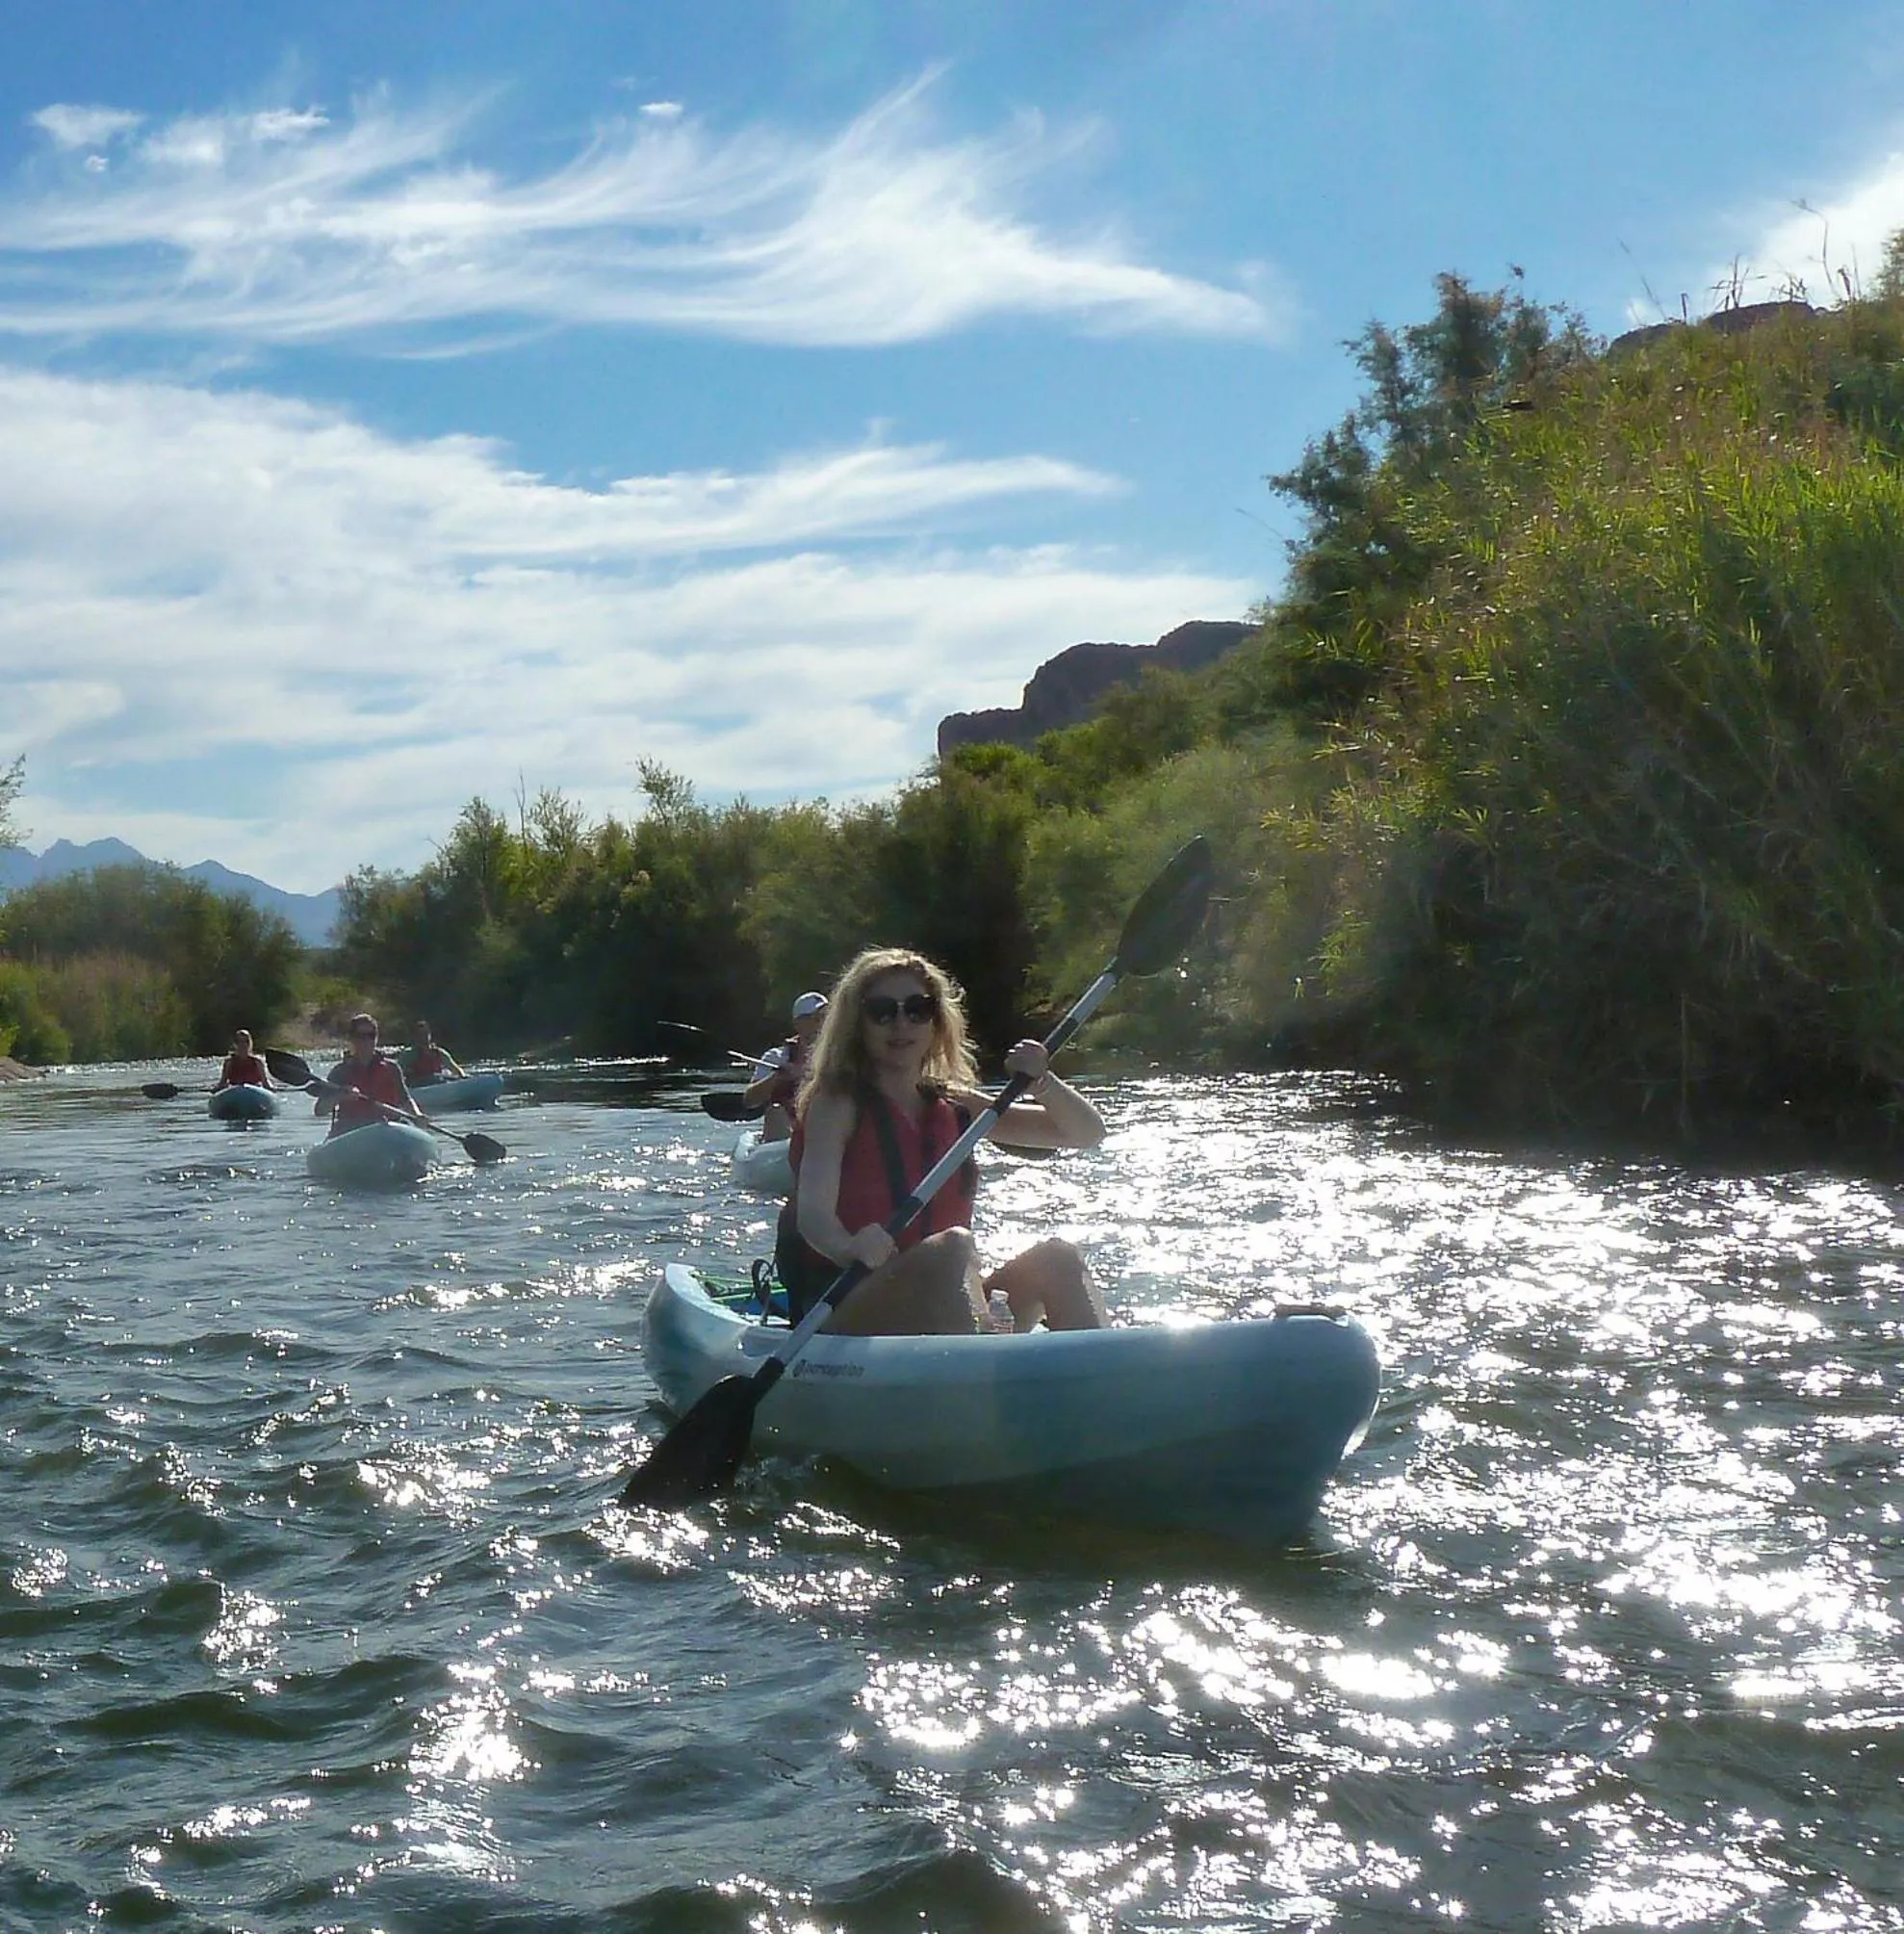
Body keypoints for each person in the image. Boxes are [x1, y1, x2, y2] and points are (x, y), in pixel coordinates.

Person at [775, 947, 1108, 1337]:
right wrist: (847, 1248)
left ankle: (1106, 1386)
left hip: (943, 1309)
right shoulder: (836, 1103)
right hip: (847, 1303)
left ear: (936, 1023)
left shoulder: (956, 1103)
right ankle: (978, 1367)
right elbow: (814, 1215)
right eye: (882, 1011)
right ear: (857, 1024)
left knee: (1059, 1259)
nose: (901, 1024)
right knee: (953, 1248)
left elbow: (1086, 1134)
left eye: (918, 1008)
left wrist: (1043, 1083)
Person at [320, 1013, 425, 1137]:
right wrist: (341, 1096)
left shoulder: (392, 1068)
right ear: (352, 1038)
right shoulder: (340, 1072)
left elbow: (406, 1100)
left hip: (389, 1127)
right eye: (361, 1036)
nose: (367, 1041)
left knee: (409, 1127)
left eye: (371, 1036)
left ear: (377, 1038)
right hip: (352, 1131)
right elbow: (319, 1110)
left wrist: (417, 1115)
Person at [743, 991, 828, 1144]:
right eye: (816, 1019)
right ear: (798, 1024)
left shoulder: (840, 1056)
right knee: (775, 1112)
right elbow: (750, 1101)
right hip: (786, 1133)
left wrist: (807, 1075)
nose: (822, 1024)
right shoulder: (776, 1057)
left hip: (824, 1127)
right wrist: (778, 1077)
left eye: (826, 1017)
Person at [403, 1019, 466, 1087]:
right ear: (415, 1037)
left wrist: (463, 1077)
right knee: (435, 1078)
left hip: (438, 1083)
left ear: (430, 1035)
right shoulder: (409, 1054)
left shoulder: (439, 1052)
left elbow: (454, 1068)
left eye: (426, 1033)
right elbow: (397, 1072)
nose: (424, 1036)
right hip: (417, 1085)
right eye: (421, 1034)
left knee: (440, 1078)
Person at [213, 1029, 277, 1092]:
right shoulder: (229, 1062)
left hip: (254, 1090)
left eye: (246, 1041)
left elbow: (265, 1082)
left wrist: (271, 1088)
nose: (243, 1045)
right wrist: (217, 1088)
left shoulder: (257, 1061)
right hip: (235, 1090)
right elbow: (223, 1082)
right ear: (235, 1044)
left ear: (250, 1043)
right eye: (240, 1042)